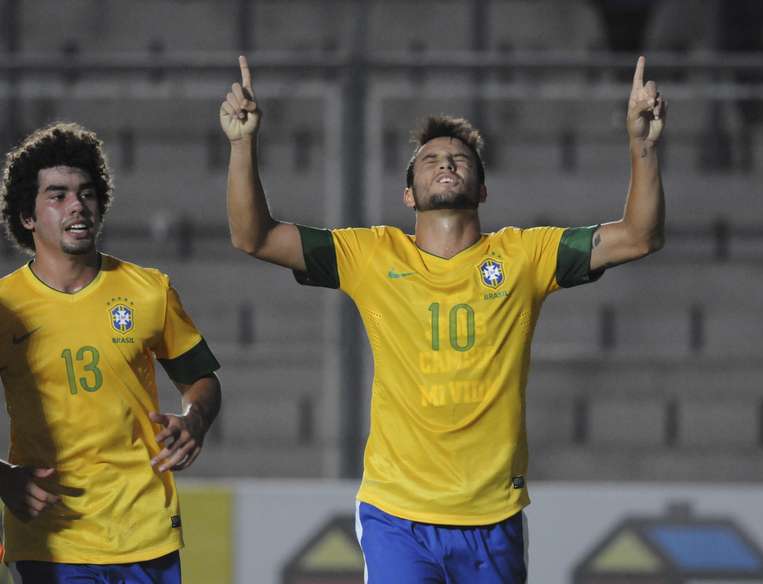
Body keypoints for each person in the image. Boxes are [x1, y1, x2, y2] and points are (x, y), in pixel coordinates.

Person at [221, 55, 666, 584]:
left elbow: (639, 236)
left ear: (482, 190)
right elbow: (254, 236)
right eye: (430, 159)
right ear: (409, 193)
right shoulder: (372, 255)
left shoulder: (525, 256)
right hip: (397, 514)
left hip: (492, 516)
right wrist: (242, 143)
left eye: (460, 158)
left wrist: (642, 145)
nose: (446, 162)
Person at [0, 123, 221, 583]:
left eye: (86, 193)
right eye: (57, 196)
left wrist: (194, 419)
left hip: (146, 531)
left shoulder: (149, 290)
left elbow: (201, 381)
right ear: (27, 216)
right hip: (51, 537)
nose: (77, 205)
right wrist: (2, 477)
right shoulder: (5, 308)